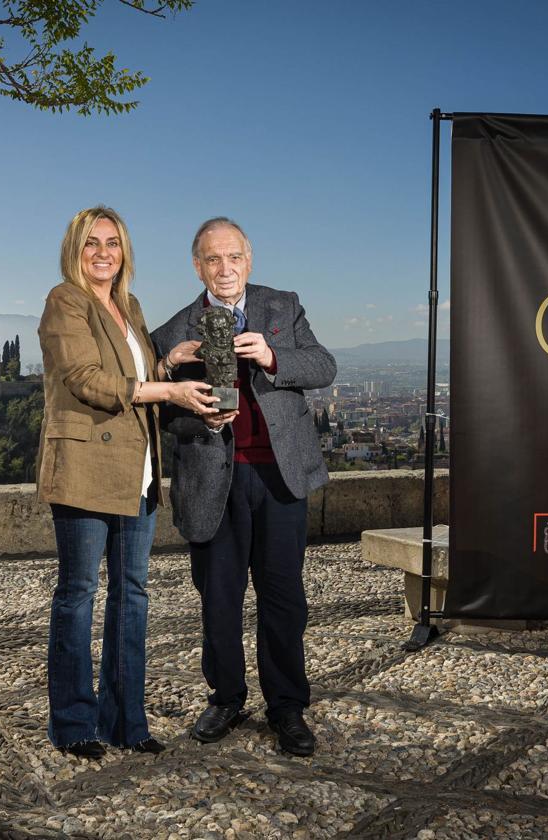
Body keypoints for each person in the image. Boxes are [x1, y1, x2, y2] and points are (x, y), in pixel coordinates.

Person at [152, 217, 336, 757]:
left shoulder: (283, 306)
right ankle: (226, 697)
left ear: (248, 261)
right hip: (212, 480)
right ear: (197, 266)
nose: (224, 269)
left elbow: (323, 366)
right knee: (219, 599)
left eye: (233, 258)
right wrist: (196, 413)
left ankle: (286, 706)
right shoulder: (173, 332)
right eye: (213, 259)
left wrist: (274, 358)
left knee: (283, 598)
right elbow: (164, 415)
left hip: (279, 476)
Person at [37, 206, 213, 759]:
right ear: (75, 249)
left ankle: (127, 722)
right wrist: (170, 393)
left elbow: (132, 377)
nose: (103, 253)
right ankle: (73, 725)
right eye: (92, 243)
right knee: (78, 596)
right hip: (87, 469)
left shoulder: (128, 306)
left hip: (137, 471)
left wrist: (169, 365)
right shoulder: (65, 301)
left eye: (112, 243)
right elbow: (88, 381)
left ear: (124, 252)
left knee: (131, 596)